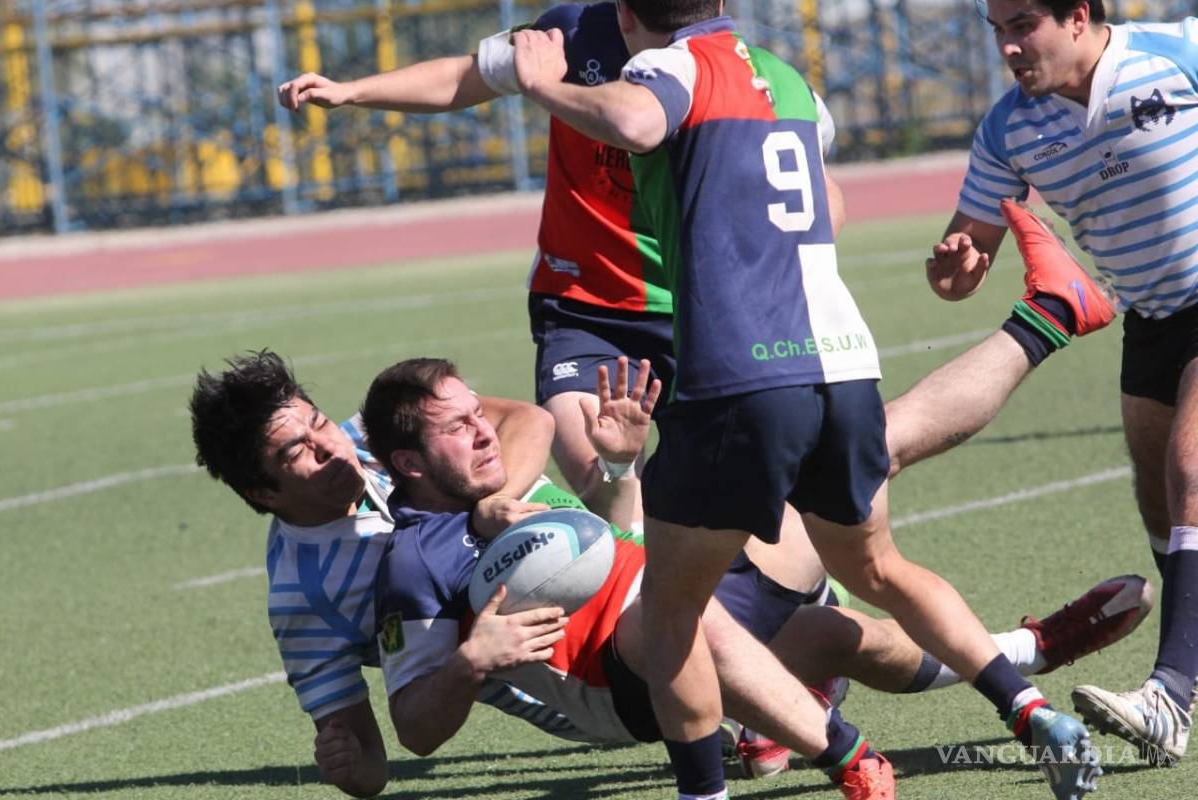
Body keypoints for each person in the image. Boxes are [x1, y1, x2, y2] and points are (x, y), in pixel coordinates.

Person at [508, 2, 1105, 798]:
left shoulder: (668, 68)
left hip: (740, 373)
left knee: (675, 612)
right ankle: (1030, 711)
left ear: (624, 16)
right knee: (880, 568)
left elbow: (636, 121)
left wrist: (544, 85)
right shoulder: (785, 79)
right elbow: (828, 204)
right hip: (842, 363)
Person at [359, 355, 1145, 797]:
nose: (484, 433)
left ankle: (1029, 652)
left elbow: (623, 538)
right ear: (407, 464)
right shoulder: (412, 564)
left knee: (856, 487)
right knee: (681, 617)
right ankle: (847, 756)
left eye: (477, 413)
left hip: (682, 595)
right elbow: (416, 732)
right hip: (626, 682)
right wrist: (471, 659)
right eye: (458, 428)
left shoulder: (511, 486)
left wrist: (624, 462)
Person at [928, 0, 1198, 767]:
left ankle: (1171, 696)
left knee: (1191, 471)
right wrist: (954, 266)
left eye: (1023, 26)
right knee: (1159, 502)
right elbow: (966, 256)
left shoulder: (1175, 52)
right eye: (997, 31)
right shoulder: (1008, 128)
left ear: (1077, 16)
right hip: (1152, 318)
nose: (1009, 47)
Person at [188, 350, 560, 798]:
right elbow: (372, 767)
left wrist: (494, 504)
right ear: (264, 492)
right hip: (567, 687)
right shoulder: (305, 599)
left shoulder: (375, 434)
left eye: (319, 423)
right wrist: (347, 765)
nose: (328, 447)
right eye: (295, 452)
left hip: (577, 565)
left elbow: (528, 420)